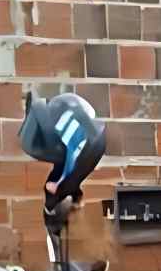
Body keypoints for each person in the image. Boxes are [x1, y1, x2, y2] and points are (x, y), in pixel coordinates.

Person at [17, 91, 106, 233]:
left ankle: (58, 210)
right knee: (37, 147)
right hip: (85, 130)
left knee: (36, 147)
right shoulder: (42, 147)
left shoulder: (46, 149)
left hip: (88, 132)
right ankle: (58, 210)